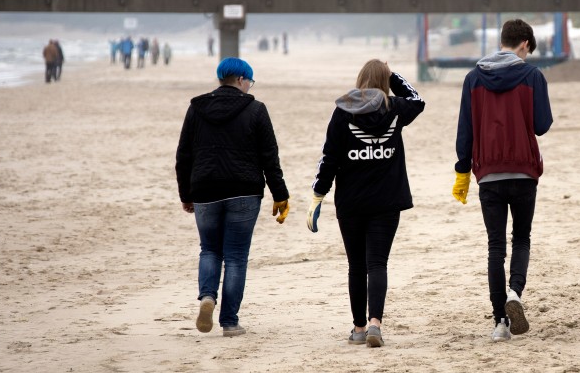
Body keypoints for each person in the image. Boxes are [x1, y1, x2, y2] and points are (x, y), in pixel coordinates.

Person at [307, 60, 425, 348]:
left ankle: (359, 328)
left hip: (351, 202)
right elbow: (418, 100)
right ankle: (375, 324)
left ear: (360, 79)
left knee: (356, 265)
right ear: (385, 81)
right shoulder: (395, 108)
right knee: (377, 263)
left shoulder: (343, 111)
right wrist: (393, 75)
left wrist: (318, 195)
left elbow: (329, 158)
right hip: (387, 201)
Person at [452, 19, 553, 342]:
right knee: (521, 238)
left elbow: (465, 131)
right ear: (524, 43)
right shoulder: (533, 76)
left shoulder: (473, 79)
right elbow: (542, 125)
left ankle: (500, 323)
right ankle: (515, 292)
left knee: (495, 246)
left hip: (488, 173)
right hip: (523, 170)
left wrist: (462, 171)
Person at [175, 57, 290, 338]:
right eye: (250, 81)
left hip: (205, 191)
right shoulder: (256, 109)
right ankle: (229, 322)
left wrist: (186, 194)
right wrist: (280, 195)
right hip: (244, 191)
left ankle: (207, 297)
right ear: (241, 80)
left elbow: (184, 156)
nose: (250, 86)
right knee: (236, 257)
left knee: (210, 249)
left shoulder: (196, 108)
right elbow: (269, 158)